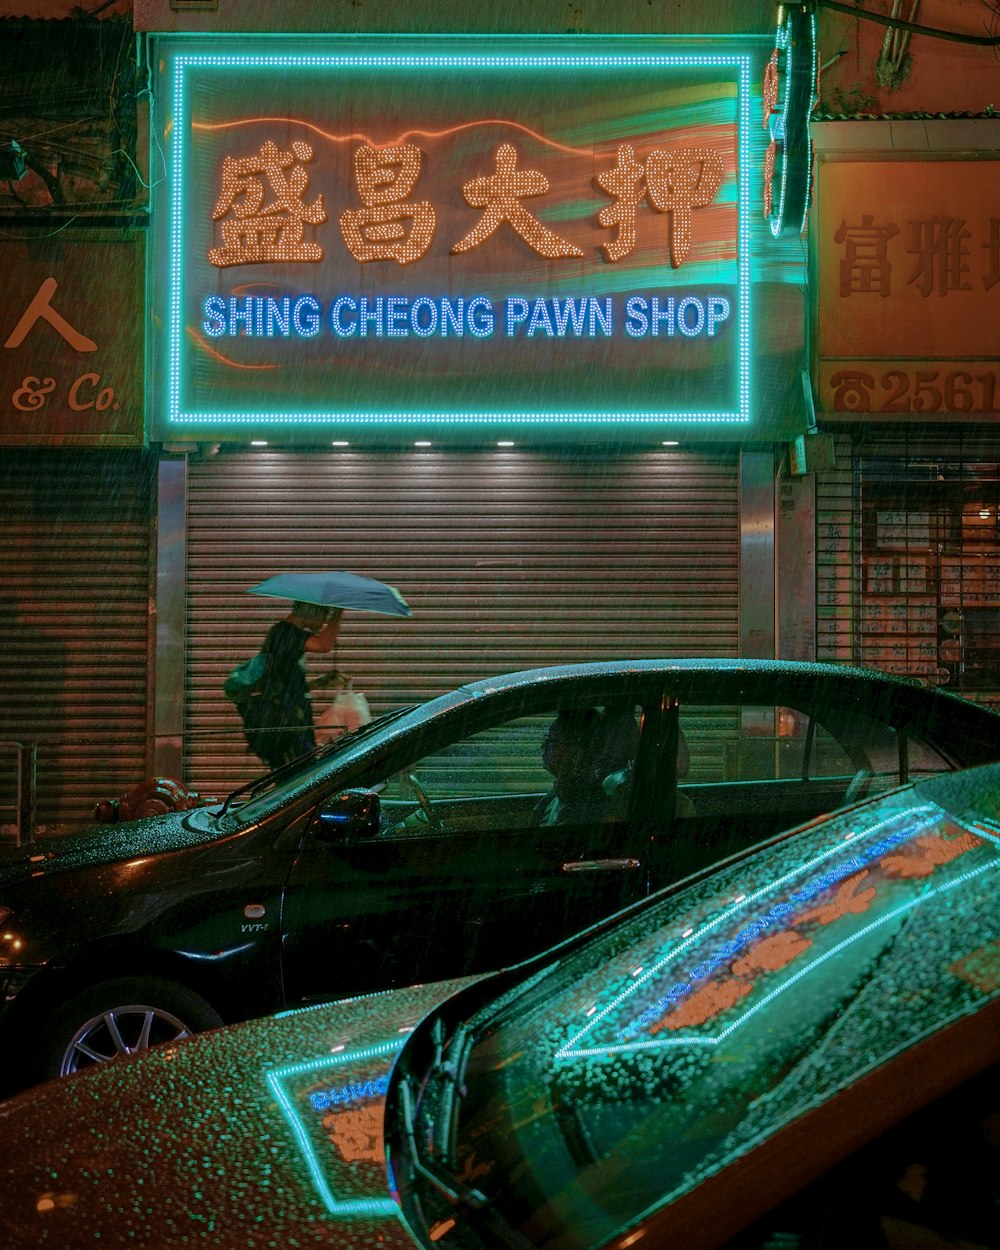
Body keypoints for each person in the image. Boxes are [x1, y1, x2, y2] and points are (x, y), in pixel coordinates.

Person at [249, 601, 342, 770]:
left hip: (288, 726)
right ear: (311, 611)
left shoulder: (284, 634)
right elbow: (324, 644)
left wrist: (321, 682)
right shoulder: (286, 633)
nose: (324, 623)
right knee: (305, 777)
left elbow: (285, 683)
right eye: (324, 614)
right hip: (287, 729)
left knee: (299, 778)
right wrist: (338, 611)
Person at [534, 708, 617, 827]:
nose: (543, 746)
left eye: (551, 741)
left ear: (576, 752)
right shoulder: (561, 792)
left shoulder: (582, 809)